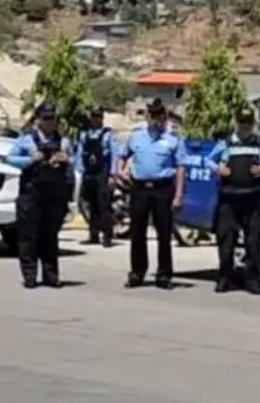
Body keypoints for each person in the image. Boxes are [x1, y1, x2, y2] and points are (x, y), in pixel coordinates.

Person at [207, 106, 260, 294]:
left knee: (253, 241)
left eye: (248, 123)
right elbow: (208, 160)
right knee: (226, 240)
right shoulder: (226, 142)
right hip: (228, 198)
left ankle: (253, 279)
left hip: (252, 196)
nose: (245, 127)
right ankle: (224, 278)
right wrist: (218, 169)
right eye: (242, 123)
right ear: (236, 122)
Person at [116, 98, 186, 289]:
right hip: (139, 189)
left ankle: (164, 275)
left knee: (164, 233)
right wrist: (120, 172)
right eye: (153, 116)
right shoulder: (136, 136)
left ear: (164, 117)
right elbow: (123, 156)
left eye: (159, 116)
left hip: (162, 189)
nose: (156, 120)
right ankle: (137, 273)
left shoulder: (172, 139)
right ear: (148, 117)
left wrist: (178, 195)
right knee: (137, 232)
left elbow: (180, 167)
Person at [7, 101, 74, 288]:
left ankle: (51, 276)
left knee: (50, 236)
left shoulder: (64, 141)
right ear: (38, 120)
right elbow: (11, 158)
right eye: (46, 118)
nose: (51, 122)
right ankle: (30, 276)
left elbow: (74, 161)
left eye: (53, 118)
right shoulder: (26, 139)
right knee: (28, 236)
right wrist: (30, 159)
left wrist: (66, 159)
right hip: (31, 192)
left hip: (54, 193)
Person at [75, 106, 115, 247]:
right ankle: (93, 234)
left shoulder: (107, 134)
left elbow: (114, 155)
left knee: (103, 205)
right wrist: (79, 171)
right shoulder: (85, 134)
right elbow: (80, 154)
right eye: (93, 116)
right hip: (88, 173)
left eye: (98, 116)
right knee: (91, 205)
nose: (95, 119)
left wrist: (112, 175)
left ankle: (107, 236)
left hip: (101, 173)